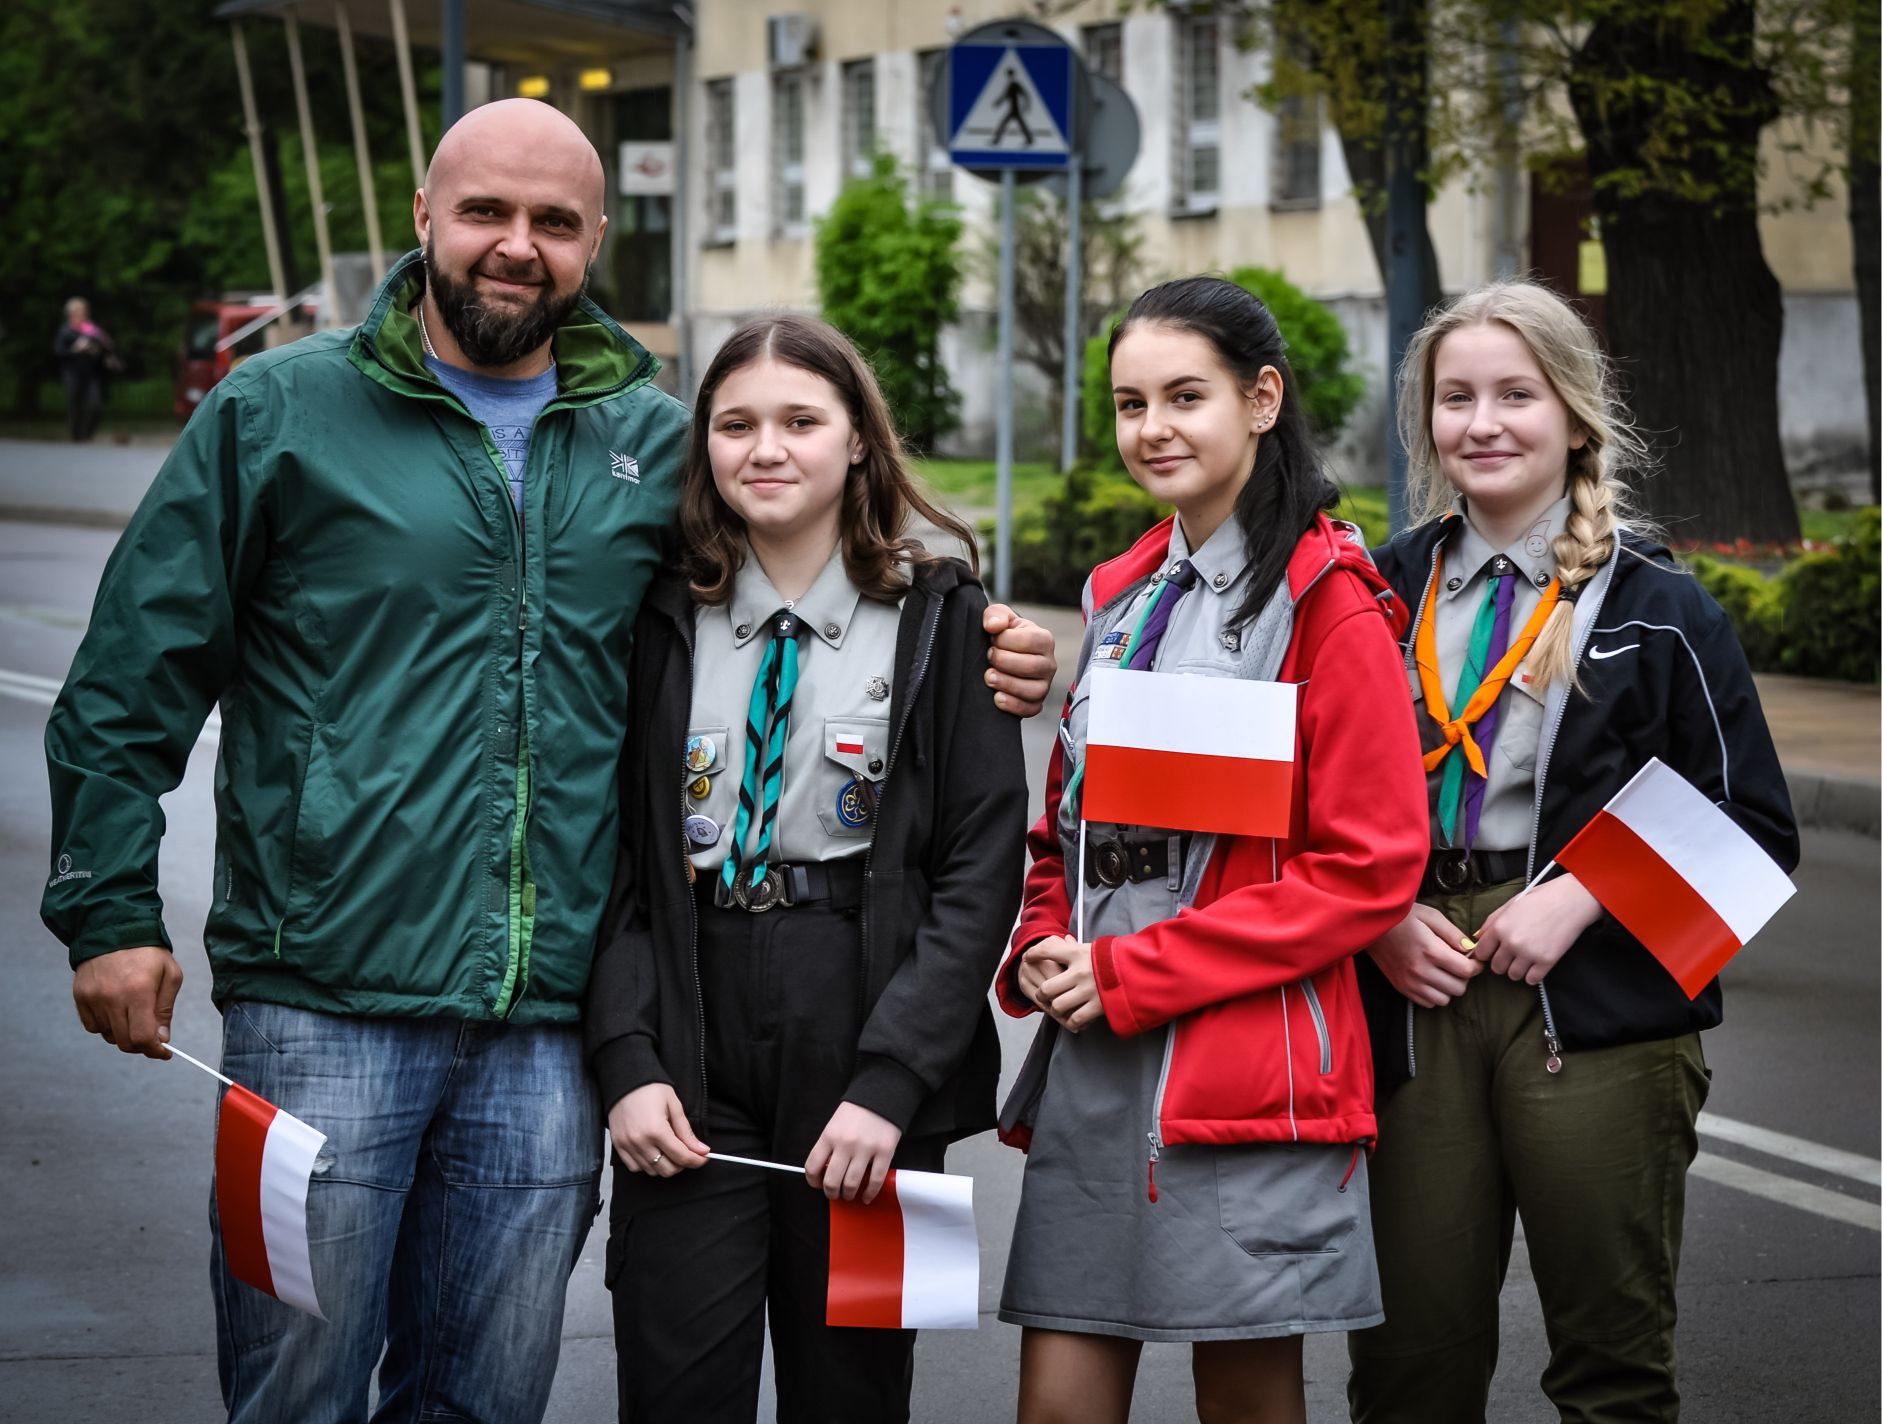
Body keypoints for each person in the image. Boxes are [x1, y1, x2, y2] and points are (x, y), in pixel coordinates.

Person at [42, 99, 1057, 1424]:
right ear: (423, 222)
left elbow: (812, 567)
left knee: (486, 1399)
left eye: (554, 223)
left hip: (545, 1036)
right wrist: (109, 909)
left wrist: (984, 642)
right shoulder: (277, 413)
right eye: (485, 214)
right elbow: (132, 673)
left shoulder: (643, 446)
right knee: (298, 1387)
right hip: (323, 1005)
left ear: (591, 246)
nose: (515, 246)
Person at [1348, 279, 1800, 1423]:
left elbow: (1751, 820)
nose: (1483, 422)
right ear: (1426, 421)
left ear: (1576, 418)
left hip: (1592, 1003)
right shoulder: (1373, 592)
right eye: (1456, 397)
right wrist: (1379, 914)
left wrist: (1582, 892)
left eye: (1517, 394)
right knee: (1406, 1359)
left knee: (1609, 1365)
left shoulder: (1657, 605)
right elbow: (1312, 794)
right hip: (1410, 987)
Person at [993, 275, 1429, 1424]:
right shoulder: (1119, 589)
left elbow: (1371, 863)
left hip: (1249, 1061)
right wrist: (1044, 935)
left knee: (1244, 1396)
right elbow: (1066, 827)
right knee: (1057, 1395)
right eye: (1131, 403)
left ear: (1263, 397)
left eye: (1185, 395)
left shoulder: (1329, 601)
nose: (1153, 428)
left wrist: (1137, 969)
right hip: (1095, 1050)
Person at [584, 312, 1030, 1422]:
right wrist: (627, 1058)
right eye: (735, 423)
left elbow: (978, 873)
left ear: (858, 444)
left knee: (853, 1390)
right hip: (694, 1016)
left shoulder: (944, 624)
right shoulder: (656, 624)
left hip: (863, 1015)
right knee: (677, 1382)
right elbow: (620, 868)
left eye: (799, 420)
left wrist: (890, 1086)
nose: (765, 447)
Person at [54, 297, 118, 441]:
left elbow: (107, 346)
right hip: (72, 372)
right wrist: (75, 349)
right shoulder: (65, 331)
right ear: (71, 314)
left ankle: (88, 433)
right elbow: (59, 352)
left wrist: (101, 352)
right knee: (75, 402)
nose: (83, 315)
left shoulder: (92, 330)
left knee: (95, 403)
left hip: (92, 373)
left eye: (84, 311)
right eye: (79, 312)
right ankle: (76, 435)